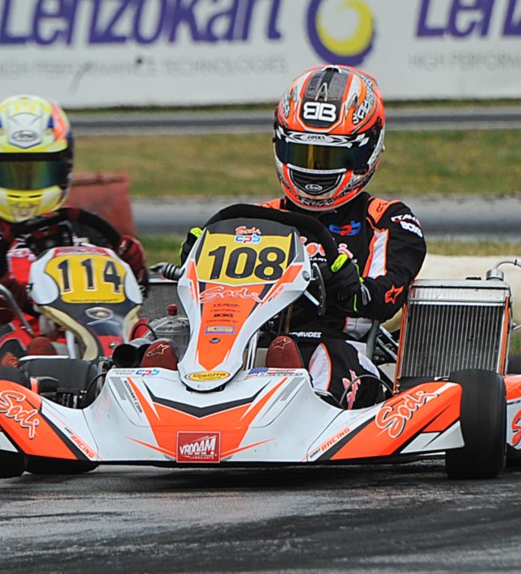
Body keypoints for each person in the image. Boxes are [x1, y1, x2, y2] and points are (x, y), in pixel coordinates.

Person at [181, 65, 426, 407]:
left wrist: (352, 288)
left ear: (365, 151)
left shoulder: (388, 219)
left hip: (337, 345)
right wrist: (198, 257)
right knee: (164, 342)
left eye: (330, 157)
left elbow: (386, 296)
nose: (313, 170)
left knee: (324, 357)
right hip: (243, 345)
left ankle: (296, 391)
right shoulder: (250, 220)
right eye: (302, 154)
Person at [0, 94, 148, 365]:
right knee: (28, 344)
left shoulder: (88, 230)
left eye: (39, 172)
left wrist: (134, 273)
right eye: (9, 172)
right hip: (10, 353)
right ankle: (41, 377)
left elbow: (127, 311)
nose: (25, 185)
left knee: (149, 336)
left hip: (95, 338)